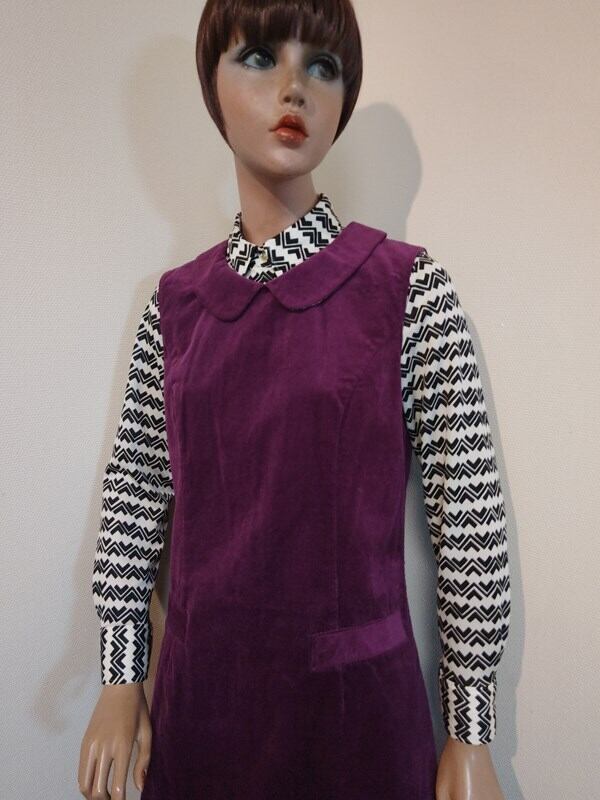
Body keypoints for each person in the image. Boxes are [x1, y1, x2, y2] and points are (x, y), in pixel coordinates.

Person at [78, 1, 511, 798]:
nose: (294, 88)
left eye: (324, 66)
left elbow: (470, 526)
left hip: (356, 723)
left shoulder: (409, 292)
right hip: (202, 717)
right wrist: (119, 675)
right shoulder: (174, 311)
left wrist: (471, 731)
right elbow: (134, 498)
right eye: (260, 56)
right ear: (211, 82)